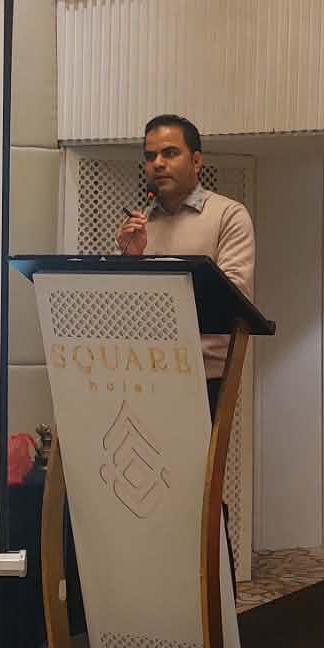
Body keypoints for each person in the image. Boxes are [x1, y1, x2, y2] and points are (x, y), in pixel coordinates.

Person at [114, 113, 255, 419]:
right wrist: (129, 259)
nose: (158, 164)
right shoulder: (139, 225)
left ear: (196, 161)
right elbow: (119, 307)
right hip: (138, 371)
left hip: (202, 375)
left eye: (170, 153)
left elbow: (233, 298)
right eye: (150, 156)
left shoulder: (228, 215)